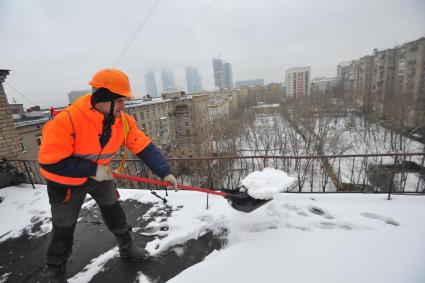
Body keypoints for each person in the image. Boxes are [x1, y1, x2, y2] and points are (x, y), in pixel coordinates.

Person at [37, 68, 178, 281]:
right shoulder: (67, 121)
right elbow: (51, 163)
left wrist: (164, 172)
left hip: (100, 178)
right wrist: (91, 170)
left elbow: (144, 147)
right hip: (66, 184)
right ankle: (56, 269)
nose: (124, 106)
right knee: (63, 228)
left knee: (115, 213)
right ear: (103, 98)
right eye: (120, 101)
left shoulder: (122, 121)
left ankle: (127, 248)